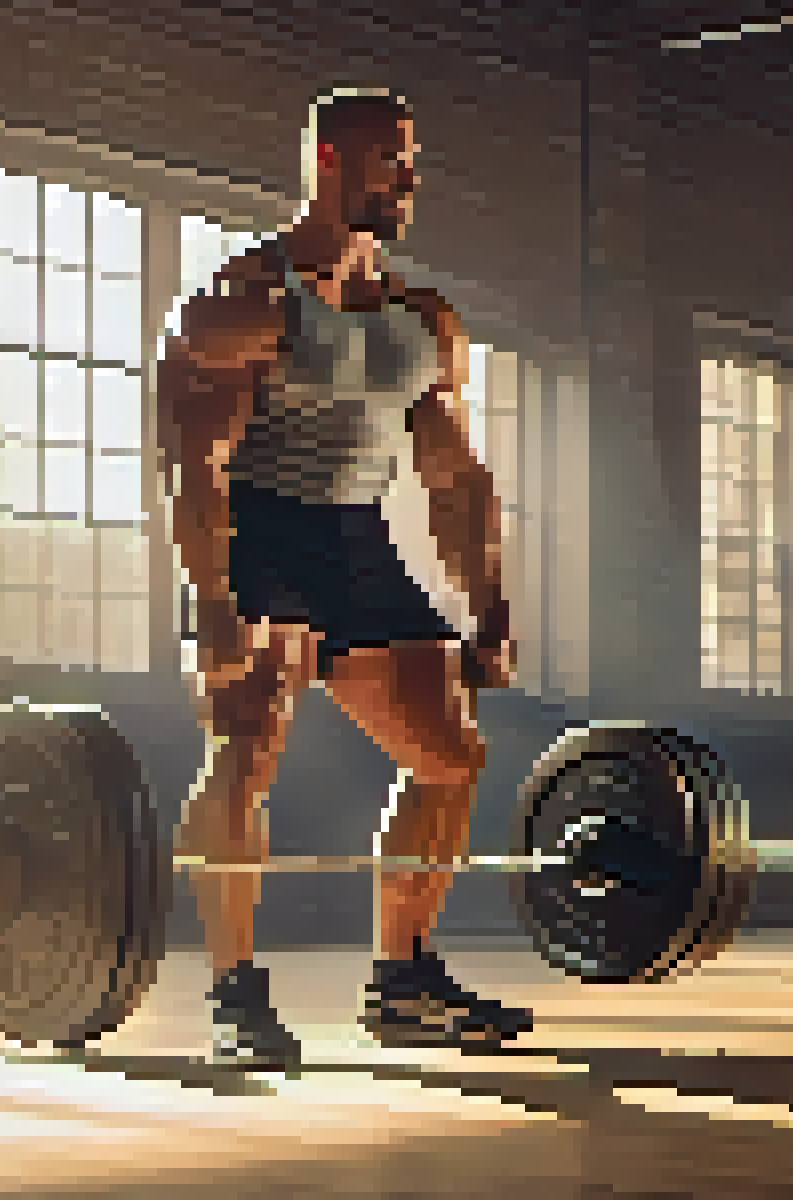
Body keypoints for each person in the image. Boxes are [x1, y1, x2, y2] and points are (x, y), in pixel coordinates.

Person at [156, 86, 533, 1067]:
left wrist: (487, 604)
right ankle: (236, 995)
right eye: (390, 160)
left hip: (356, 537)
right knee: (249, 746)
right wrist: (214, 601)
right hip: (258, 531)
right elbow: (193, 463)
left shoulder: (419, 319)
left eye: (412, 162)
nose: (409, 179)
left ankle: (401, 980)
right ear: (329, 163)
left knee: (451, 752)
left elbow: (453, 478)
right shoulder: (247, 302)